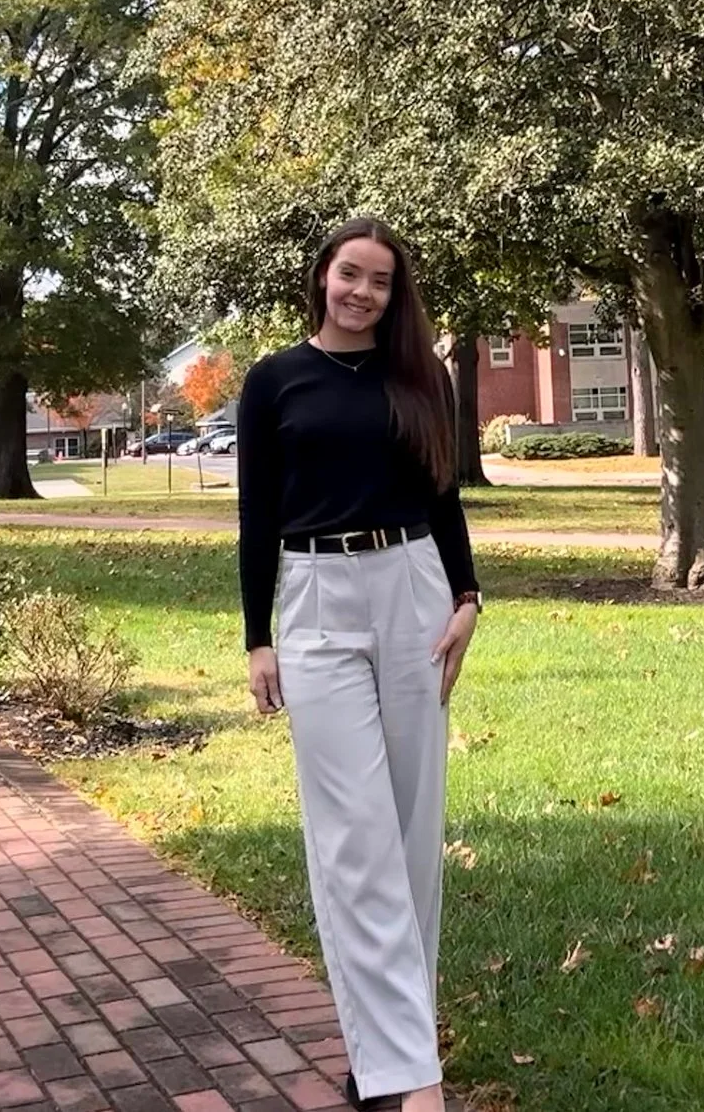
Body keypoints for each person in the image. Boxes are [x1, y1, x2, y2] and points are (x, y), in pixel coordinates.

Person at [238, 217, 482, 1112]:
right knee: (356, 839)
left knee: (414, 833)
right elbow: (255, 514)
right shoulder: (273, 381)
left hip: (413, 587)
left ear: (394, 293)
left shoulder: (421, 376)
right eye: (351, 273)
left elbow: (443, 493)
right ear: (323, 276)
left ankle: (383, 1058)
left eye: (380, 280)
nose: (362, 291)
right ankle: (415, 1084)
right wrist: (255, 635)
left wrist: (467, 599)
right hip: (315, 599)